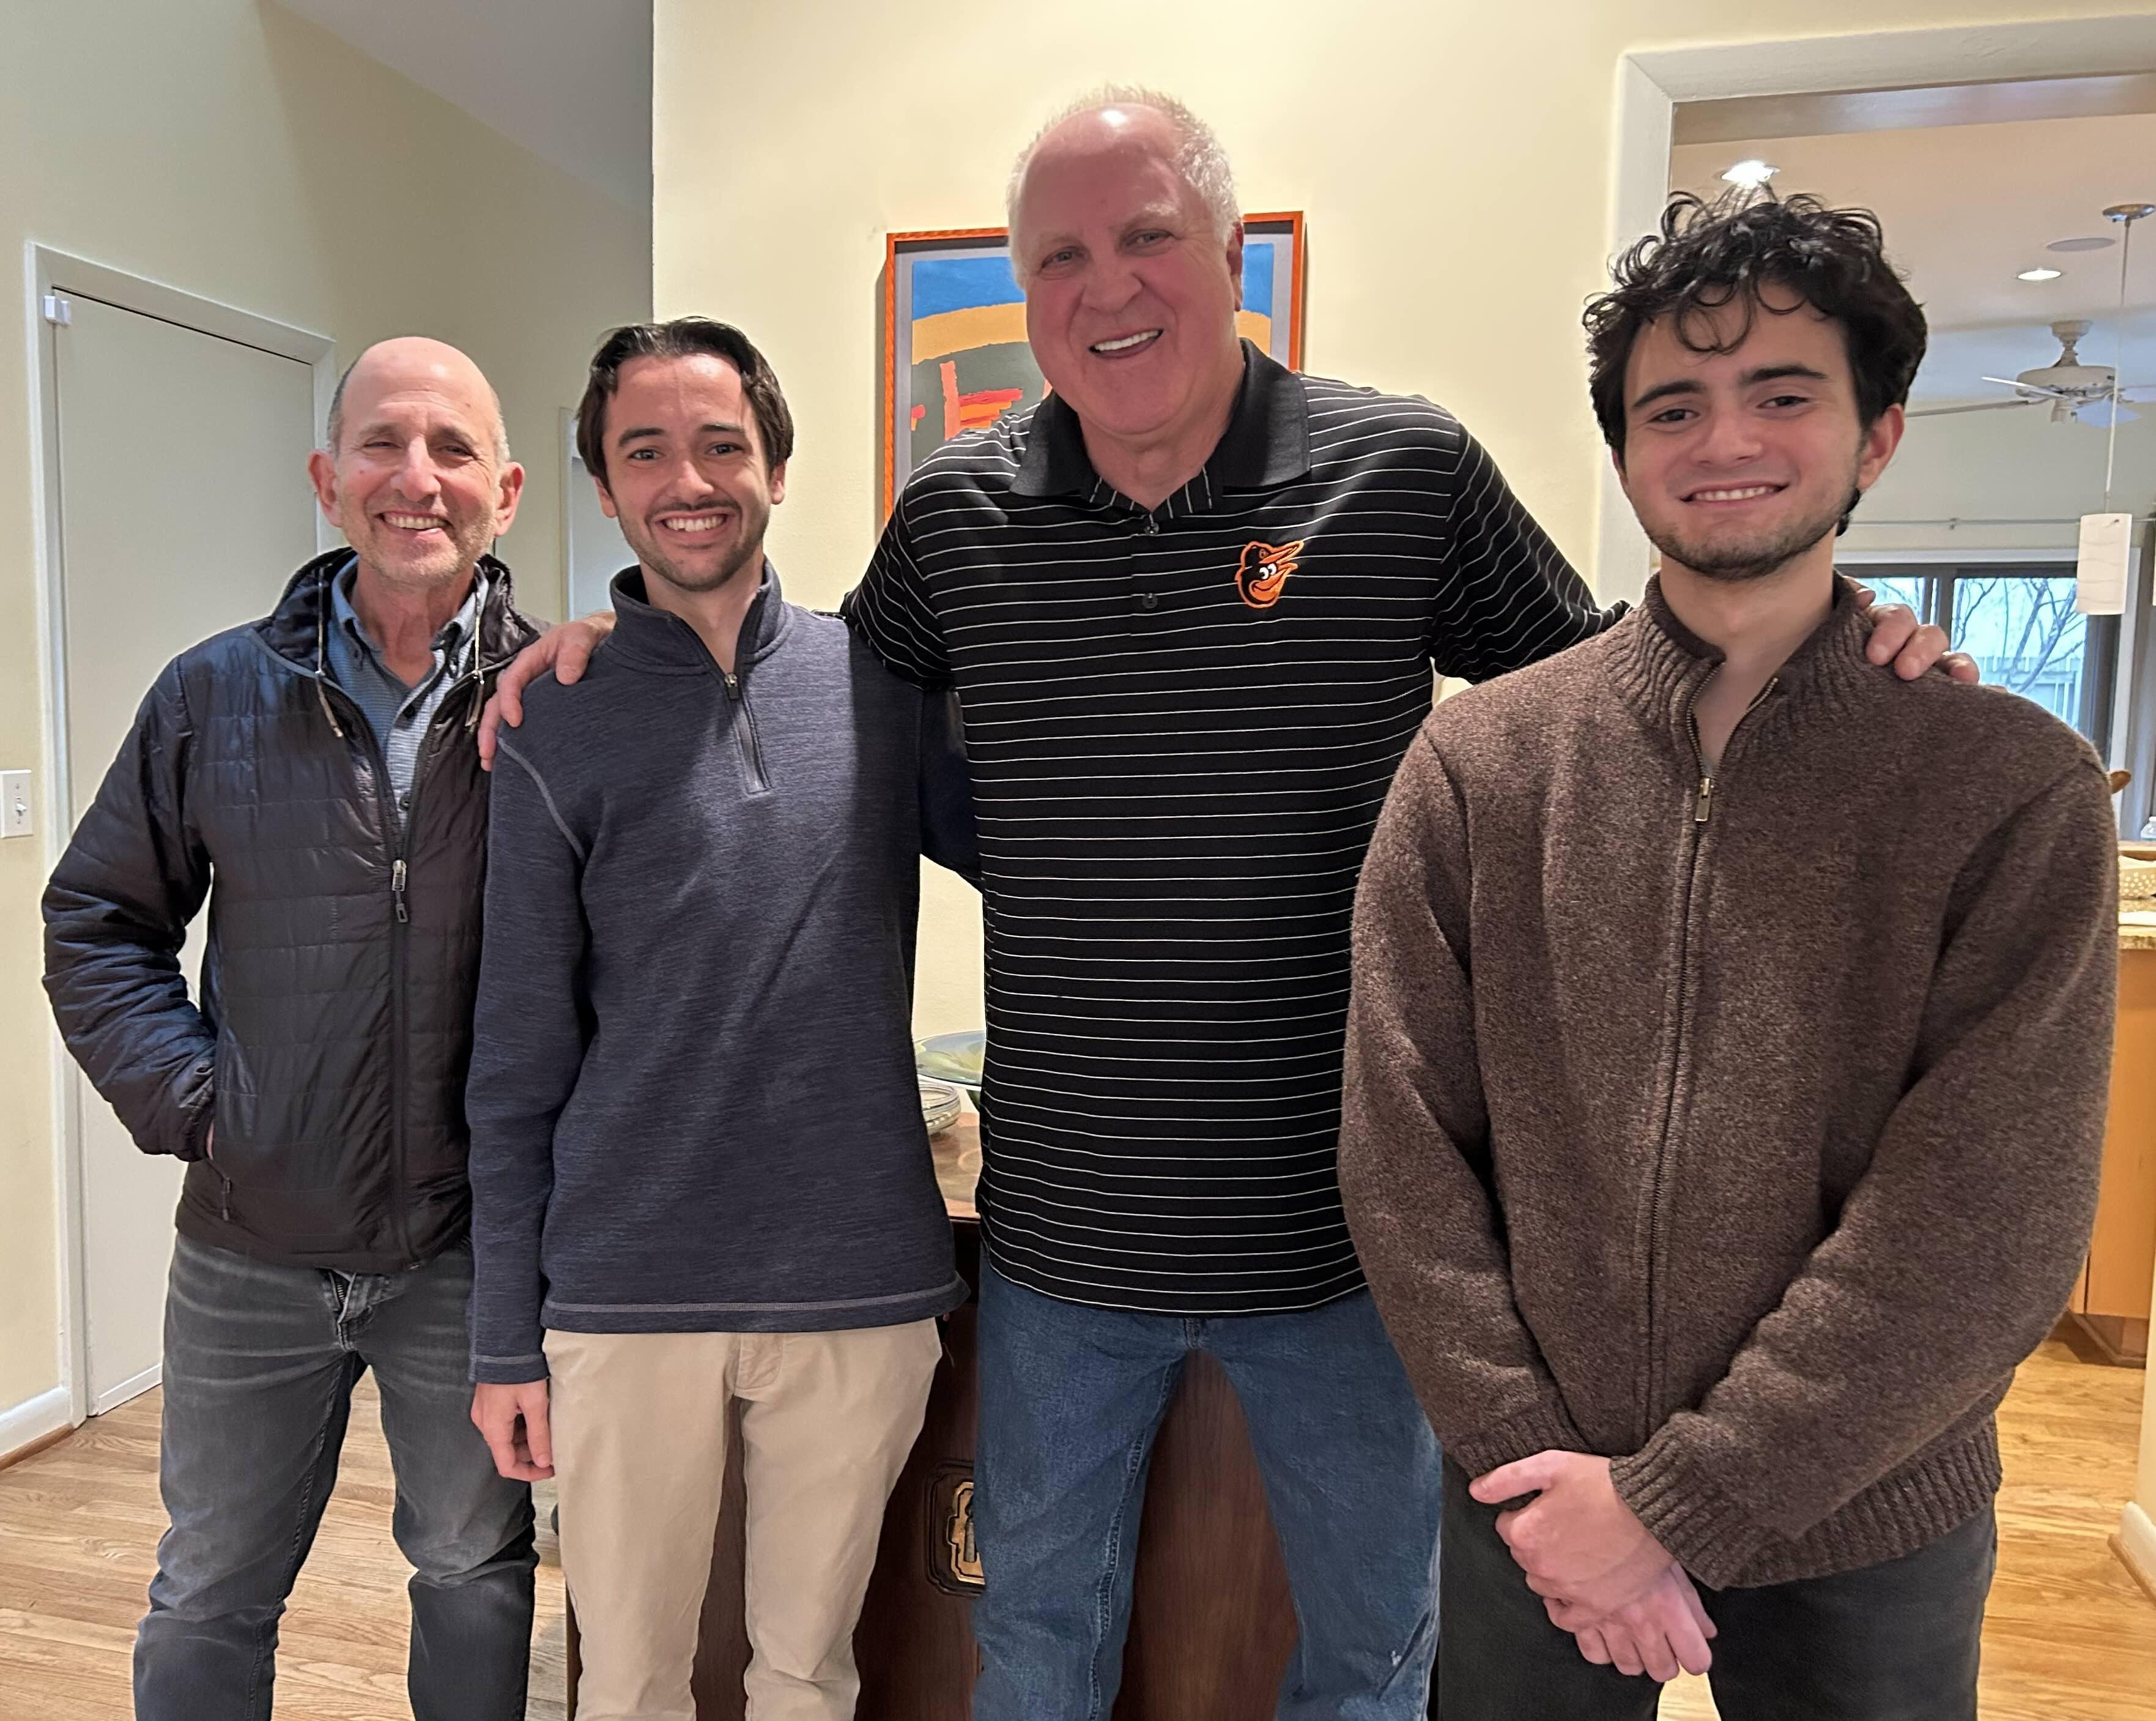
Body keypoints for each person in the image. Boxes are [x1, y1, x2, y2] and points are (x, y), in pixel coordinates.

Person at [481, 94, 1968, 1719]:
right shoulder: (959, 519)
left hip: (1349, 1236)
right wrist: (614, 638)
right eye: (1059, 256)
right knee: (1033, 1642)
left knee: (1365, 1655)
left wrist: (1827, 642)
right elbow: (798, 700)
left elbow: (1615, 698)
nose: (1105, 286)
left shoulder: (1401, 472)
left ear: (1229, 254)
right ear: (1024, 291)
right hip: (1056, 1243)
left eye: (1145, 237)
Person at [1339, 190, 2119, 1721]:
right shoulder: (1482, 764)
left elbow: (1986, 1217)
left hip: (1864, 1506)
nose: (1721, 440)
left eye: (1781, 394)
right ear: (1623, 450)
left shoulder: (2001, 785)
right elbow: (1401, 1145)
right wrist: (1541, 1480)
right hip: (1536, 1494)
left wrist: (1680, 1503)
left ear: (1874, 435)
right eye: (1672, 406)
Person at [465, 318, 977, 1721]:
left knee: (809, 1676)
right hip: (626, 1297)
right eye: (646, 451)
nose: (687, 479)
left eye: (720, 446)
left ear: (777, 468)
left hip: (859, 1282)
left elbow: (1045, 848)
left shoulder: (885, 680)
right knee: (625, 1685)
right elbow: (514, 1061)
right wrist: (507, 1338)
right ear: (606, 485)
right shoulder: (551, 721)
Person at [43, 337, 542, 1720]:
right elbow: (96, 923)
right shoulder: (212, 695)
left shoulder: (562, 699)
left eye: (452, 450)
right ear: (329, 481)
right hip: (247, 1252)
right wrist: (212, 1112)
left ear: (503, 488)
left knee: (472, 1567)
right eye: (382, 444)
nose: (416, 479)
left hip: (464, 1252)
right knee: (209, 1585)